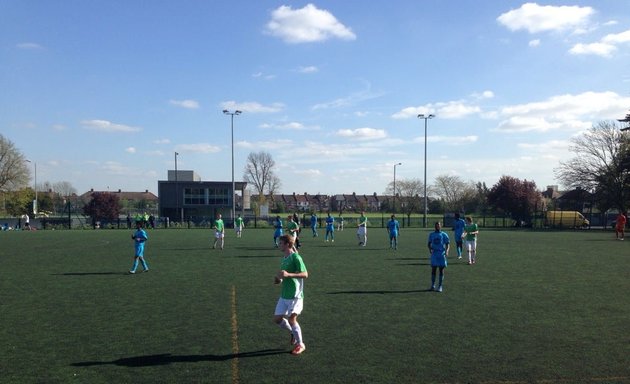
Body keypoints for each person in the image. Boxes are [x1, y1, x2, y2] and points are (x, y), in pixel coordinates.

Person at [273, 234, 308, 355]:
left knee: (292, 319)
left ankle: (300, 344)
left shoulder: (296, 257)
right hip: (284, 294)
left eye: (281, 243)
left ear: (287, 244)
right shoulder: (284, 258)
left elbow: (305, 274)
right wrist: (279, 279)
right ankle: (293, 332)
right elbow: (283, 277)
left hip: (295, 295)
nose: (279, 245)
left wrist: (289, 275)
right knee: (277, 319)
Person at [428, 221, 449, 292]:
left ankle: (440, 286)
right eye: (436, 225)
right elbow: (429, 243)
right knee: (433, 269)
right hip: (434, 254)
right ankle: (433, 285)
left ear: (441, 226)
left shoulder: (444, 234)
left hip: (441, 254)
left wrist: (447, 251)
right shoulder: (431, 234)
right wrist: (430, 249)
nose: (437, 227)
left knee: (441, 270)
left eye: (439, 225)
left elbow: (447, 244)